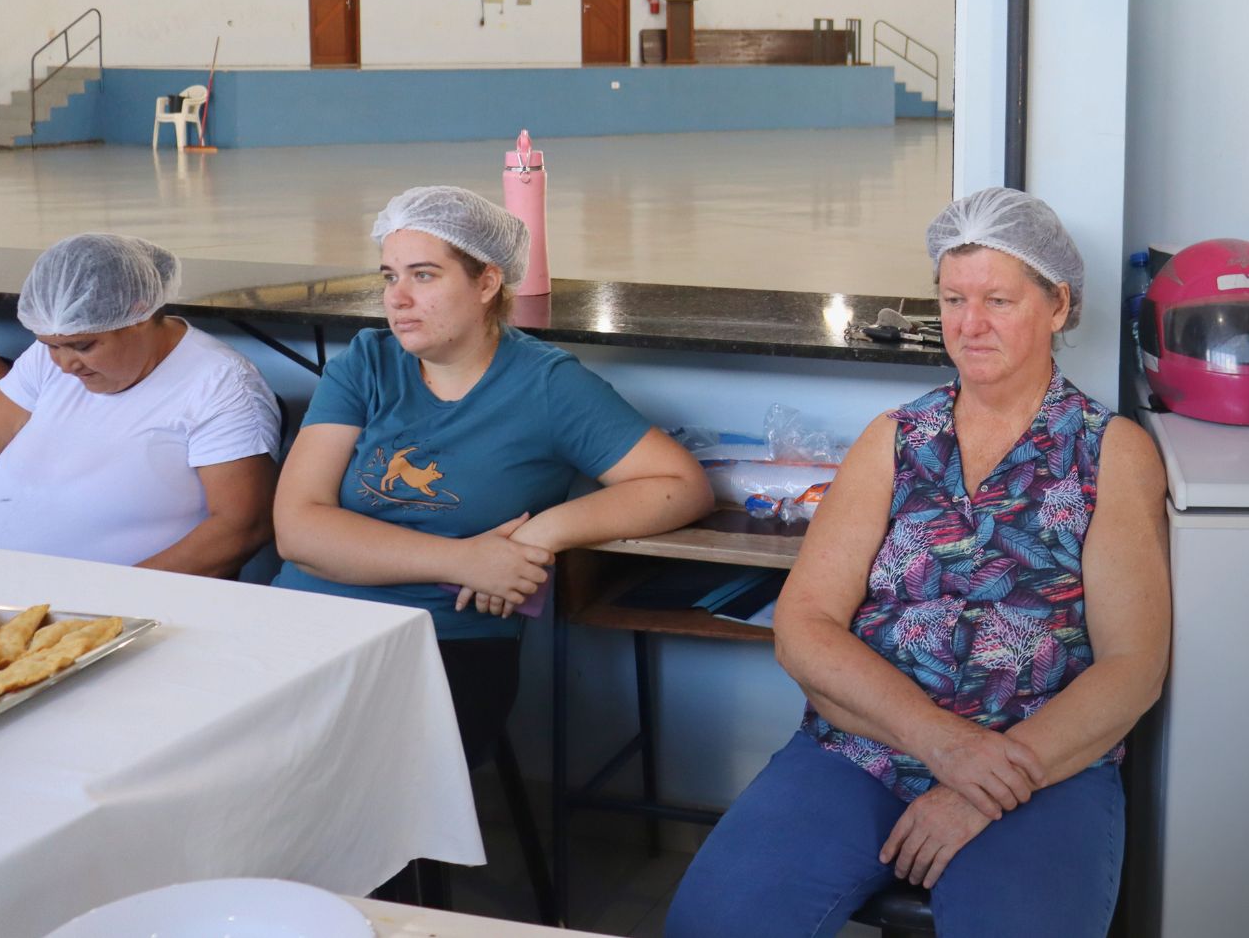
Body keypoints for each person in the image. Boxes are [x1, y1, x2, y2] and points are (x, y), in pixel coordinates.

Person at [666, 188, 1171, 938]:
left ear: (1059, 305)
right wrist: (939, 740)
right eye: (953, 299)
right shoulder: (896, 439)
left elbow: (1133, 666)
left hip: (1043, 765)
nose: (970, 324)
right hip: (863, 748)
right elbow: (805, 624)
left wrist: (984, 780)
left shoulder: (1110, 453)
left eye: (998, 300)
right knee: (715, 921)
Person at [272, 185, 712, 762]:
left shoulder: (547, 385)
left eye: (423, 275)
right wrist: (463, 560)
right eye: (389, 276)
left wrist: (539, 535)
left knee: (328, 773)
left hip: (442, 640)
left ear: (486, 283)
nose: (397, 299)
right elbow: (299, 531)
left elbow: (680, 486)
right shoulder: (366, 364)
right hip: (301, 621)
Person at [0, 233, 280, 577]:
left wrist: (111, 596)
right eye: (51, 346)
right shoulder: (50, 354)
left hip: (114, 602)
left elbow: (242, 528)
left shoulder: (221, 384)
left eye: (84, 346)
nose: (65, 364)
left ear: (139, 313)